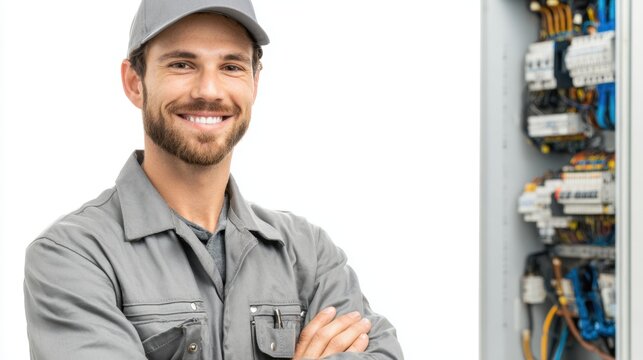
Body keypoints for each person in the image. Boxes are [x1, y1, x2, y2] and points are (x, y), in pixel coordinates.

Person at [23, 0, 403, 359]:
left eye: (231, 66)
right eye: (182, 64)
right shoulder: (73, 256)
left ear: (255, 82)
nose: (208, 90)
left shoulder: (309, 252)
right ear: (135, 82)